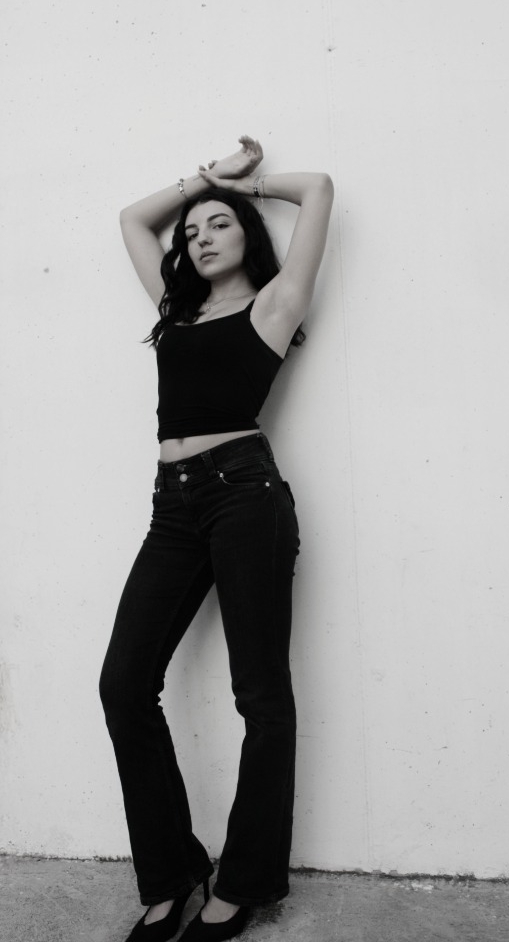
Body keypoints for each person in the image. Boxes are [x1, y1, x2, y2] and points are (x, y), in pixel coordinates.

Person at [99, 136, 334, 941]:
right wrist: (204, 182)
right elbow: (133, 220)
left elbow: (318, 188)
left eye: (217, 225)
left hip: (245, 497)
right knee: (124, 685)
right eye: (192, 231)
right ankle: (172, 876)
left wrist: (246, 185)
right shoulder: (176, 311)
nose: (198, 236)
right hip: (172, 507)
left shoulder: (274, 305)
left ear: (248, 236)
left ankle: (245, 883)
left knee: (259, 695)